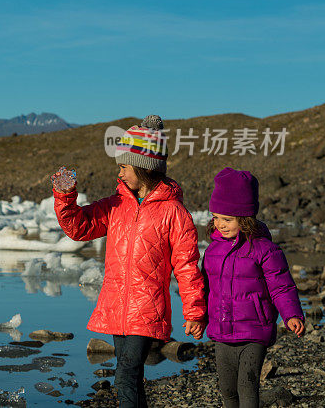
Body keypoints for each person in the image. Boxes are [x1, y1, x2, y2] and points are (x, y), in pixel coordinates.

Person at [52, 115, 206, 408]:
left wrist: (194, 311)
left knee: (124, 376)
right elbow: (79, 227)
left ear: (144, 167)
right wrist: (65, 197)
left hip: (147, 308)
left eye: (124, 167)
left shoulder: (174, 213)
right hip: (116, 305)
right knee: (131, 377)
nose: (119, 174)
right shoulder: (116, 204)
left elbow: (187, 265)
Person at [203, 167, 305, 408]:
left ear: (245, 217)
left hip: (254, 331)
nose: (220, 224)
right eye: (216, 217)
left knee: (247, 388)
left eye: (227, 219)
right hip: (221, 332)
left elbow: (281, 286)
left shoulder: (265, 250)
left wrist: (291, 315)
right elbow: (203, 289)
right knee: (227, 390)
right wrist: (196, 318)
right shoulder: (211, 251)